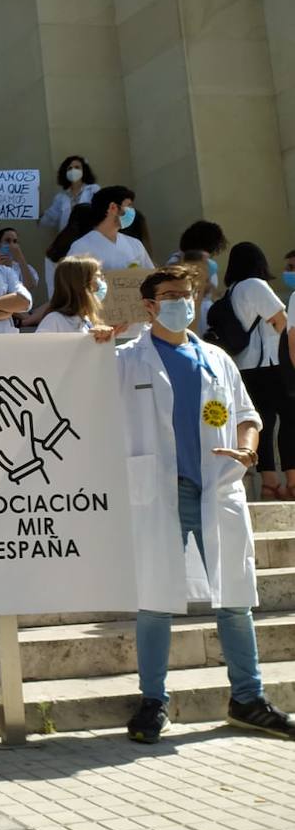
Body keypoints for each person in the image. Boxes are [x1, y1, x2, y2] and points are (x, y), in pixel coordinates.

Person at [119, 265, 294, 742]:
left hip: (218, 486)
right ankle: (153, 701)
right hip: (160, 489)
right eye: (171, 295)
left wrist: (249, 447)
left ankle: (247, 699)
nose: (182, 302)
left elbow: (246, 414)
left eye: (188, 293)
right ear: (150, 306)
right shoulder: (125, 359)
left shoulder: (217, 358)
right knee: (155, 600)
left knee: (235, 599)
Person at [217, 243, 292, 500]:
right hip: (270, 365)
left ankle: (269, 482)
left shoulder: (233, 290)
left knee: (264, 423)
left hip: (245, 367)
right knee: (290, 420)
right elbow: (282, 321)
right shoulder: (255, 285)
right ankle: (292, 481)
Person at [67, 186, 153, 272]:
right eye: (128, 206)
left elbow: (150, 277)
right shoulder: (80, 248)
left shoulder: (135, 244)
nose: (132, 211)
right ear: (113, 207)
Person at [35, 256, 114, 335]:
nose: (101, 283)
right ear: (81, 285)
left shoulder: (86, 320)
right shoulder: (54, 320)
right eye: (97, 277)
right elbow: (38, 346)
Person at [41, 155, 100, 234]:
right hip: (68, 240)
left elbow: (101, 213)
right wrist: (36, 202)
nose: (73, 170)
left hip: (89, 237)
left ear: (84, 171)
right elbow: (49, 219)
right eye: (70, 168)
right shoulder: (60, 197)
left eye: (77, 167)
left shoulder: (93, 190)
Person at [0, 226, 39, 296]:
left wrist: (20, 258)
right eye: (7, 241)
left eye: (14, 241)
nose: (11, 245)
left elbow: (30, 286)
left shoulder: (23, 267)